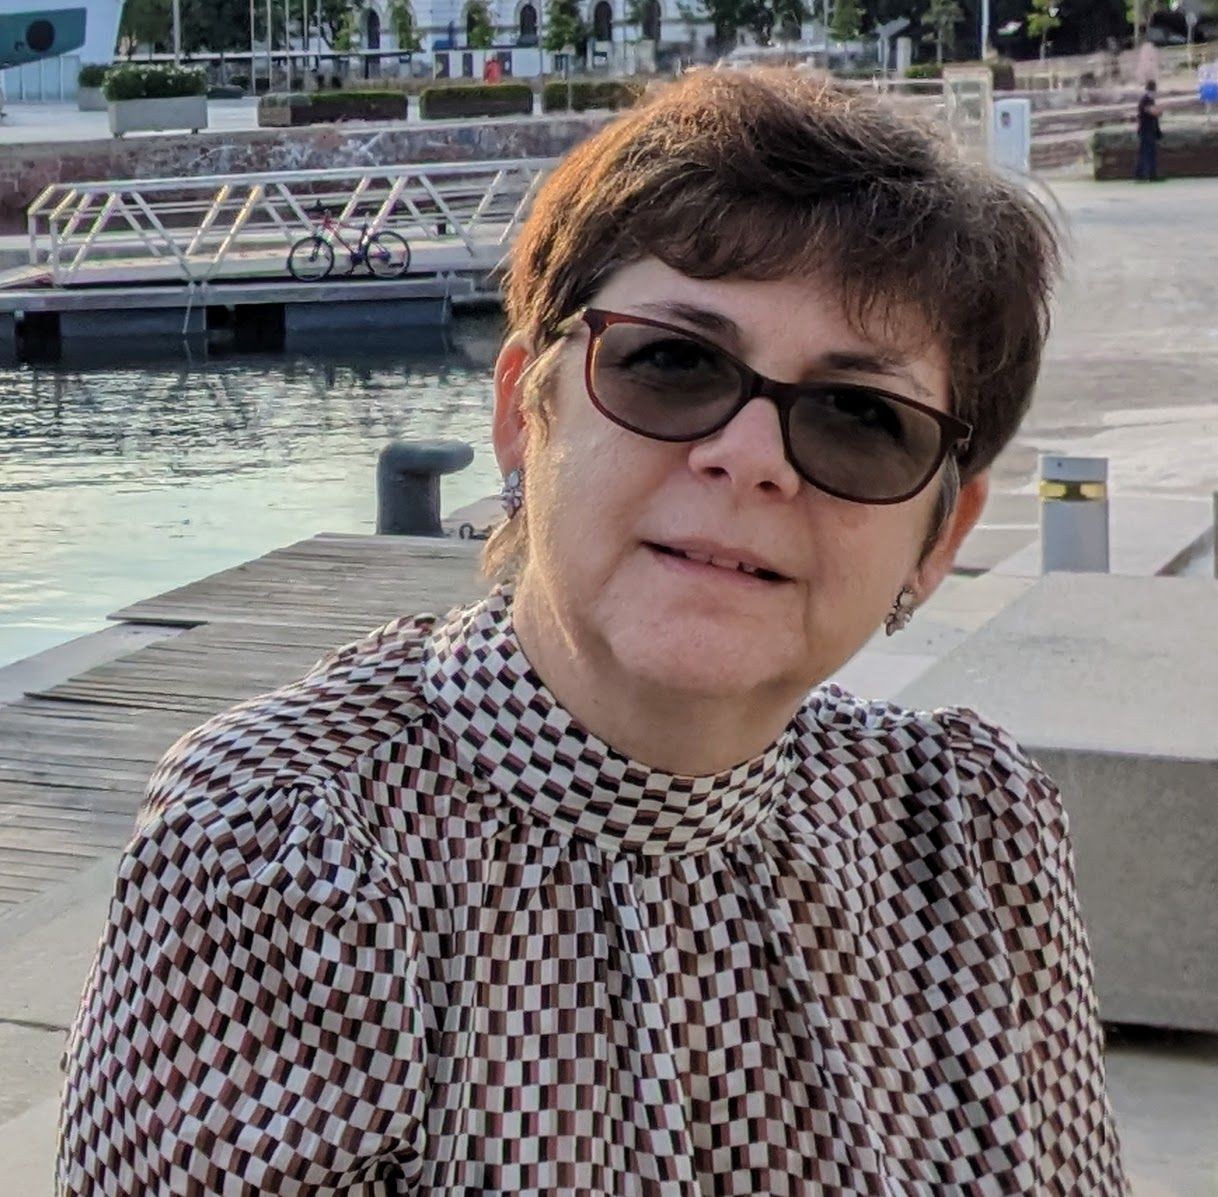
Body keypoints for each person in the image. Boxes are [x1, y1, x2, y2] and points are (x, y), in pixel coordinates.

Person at [57, 70, 1129, 1195]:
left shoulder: (966, 826)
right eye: (672, 363)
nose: (751, 458)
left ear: (941, 532)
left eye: (861, 417)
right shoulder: (292, 850)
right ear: (527, 411)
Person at [1135, 78, 1163, 181]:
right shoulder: (1145, 100)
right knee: (1146, 153)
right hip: (1146, 130)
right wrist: (1159, 111)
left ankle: (1150, 174)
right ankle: (1143, 175)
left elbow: (1154, 111)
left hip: (1149, 130)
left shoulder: (1149, 100)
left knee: (1149, 153)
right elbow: (1152, 112)